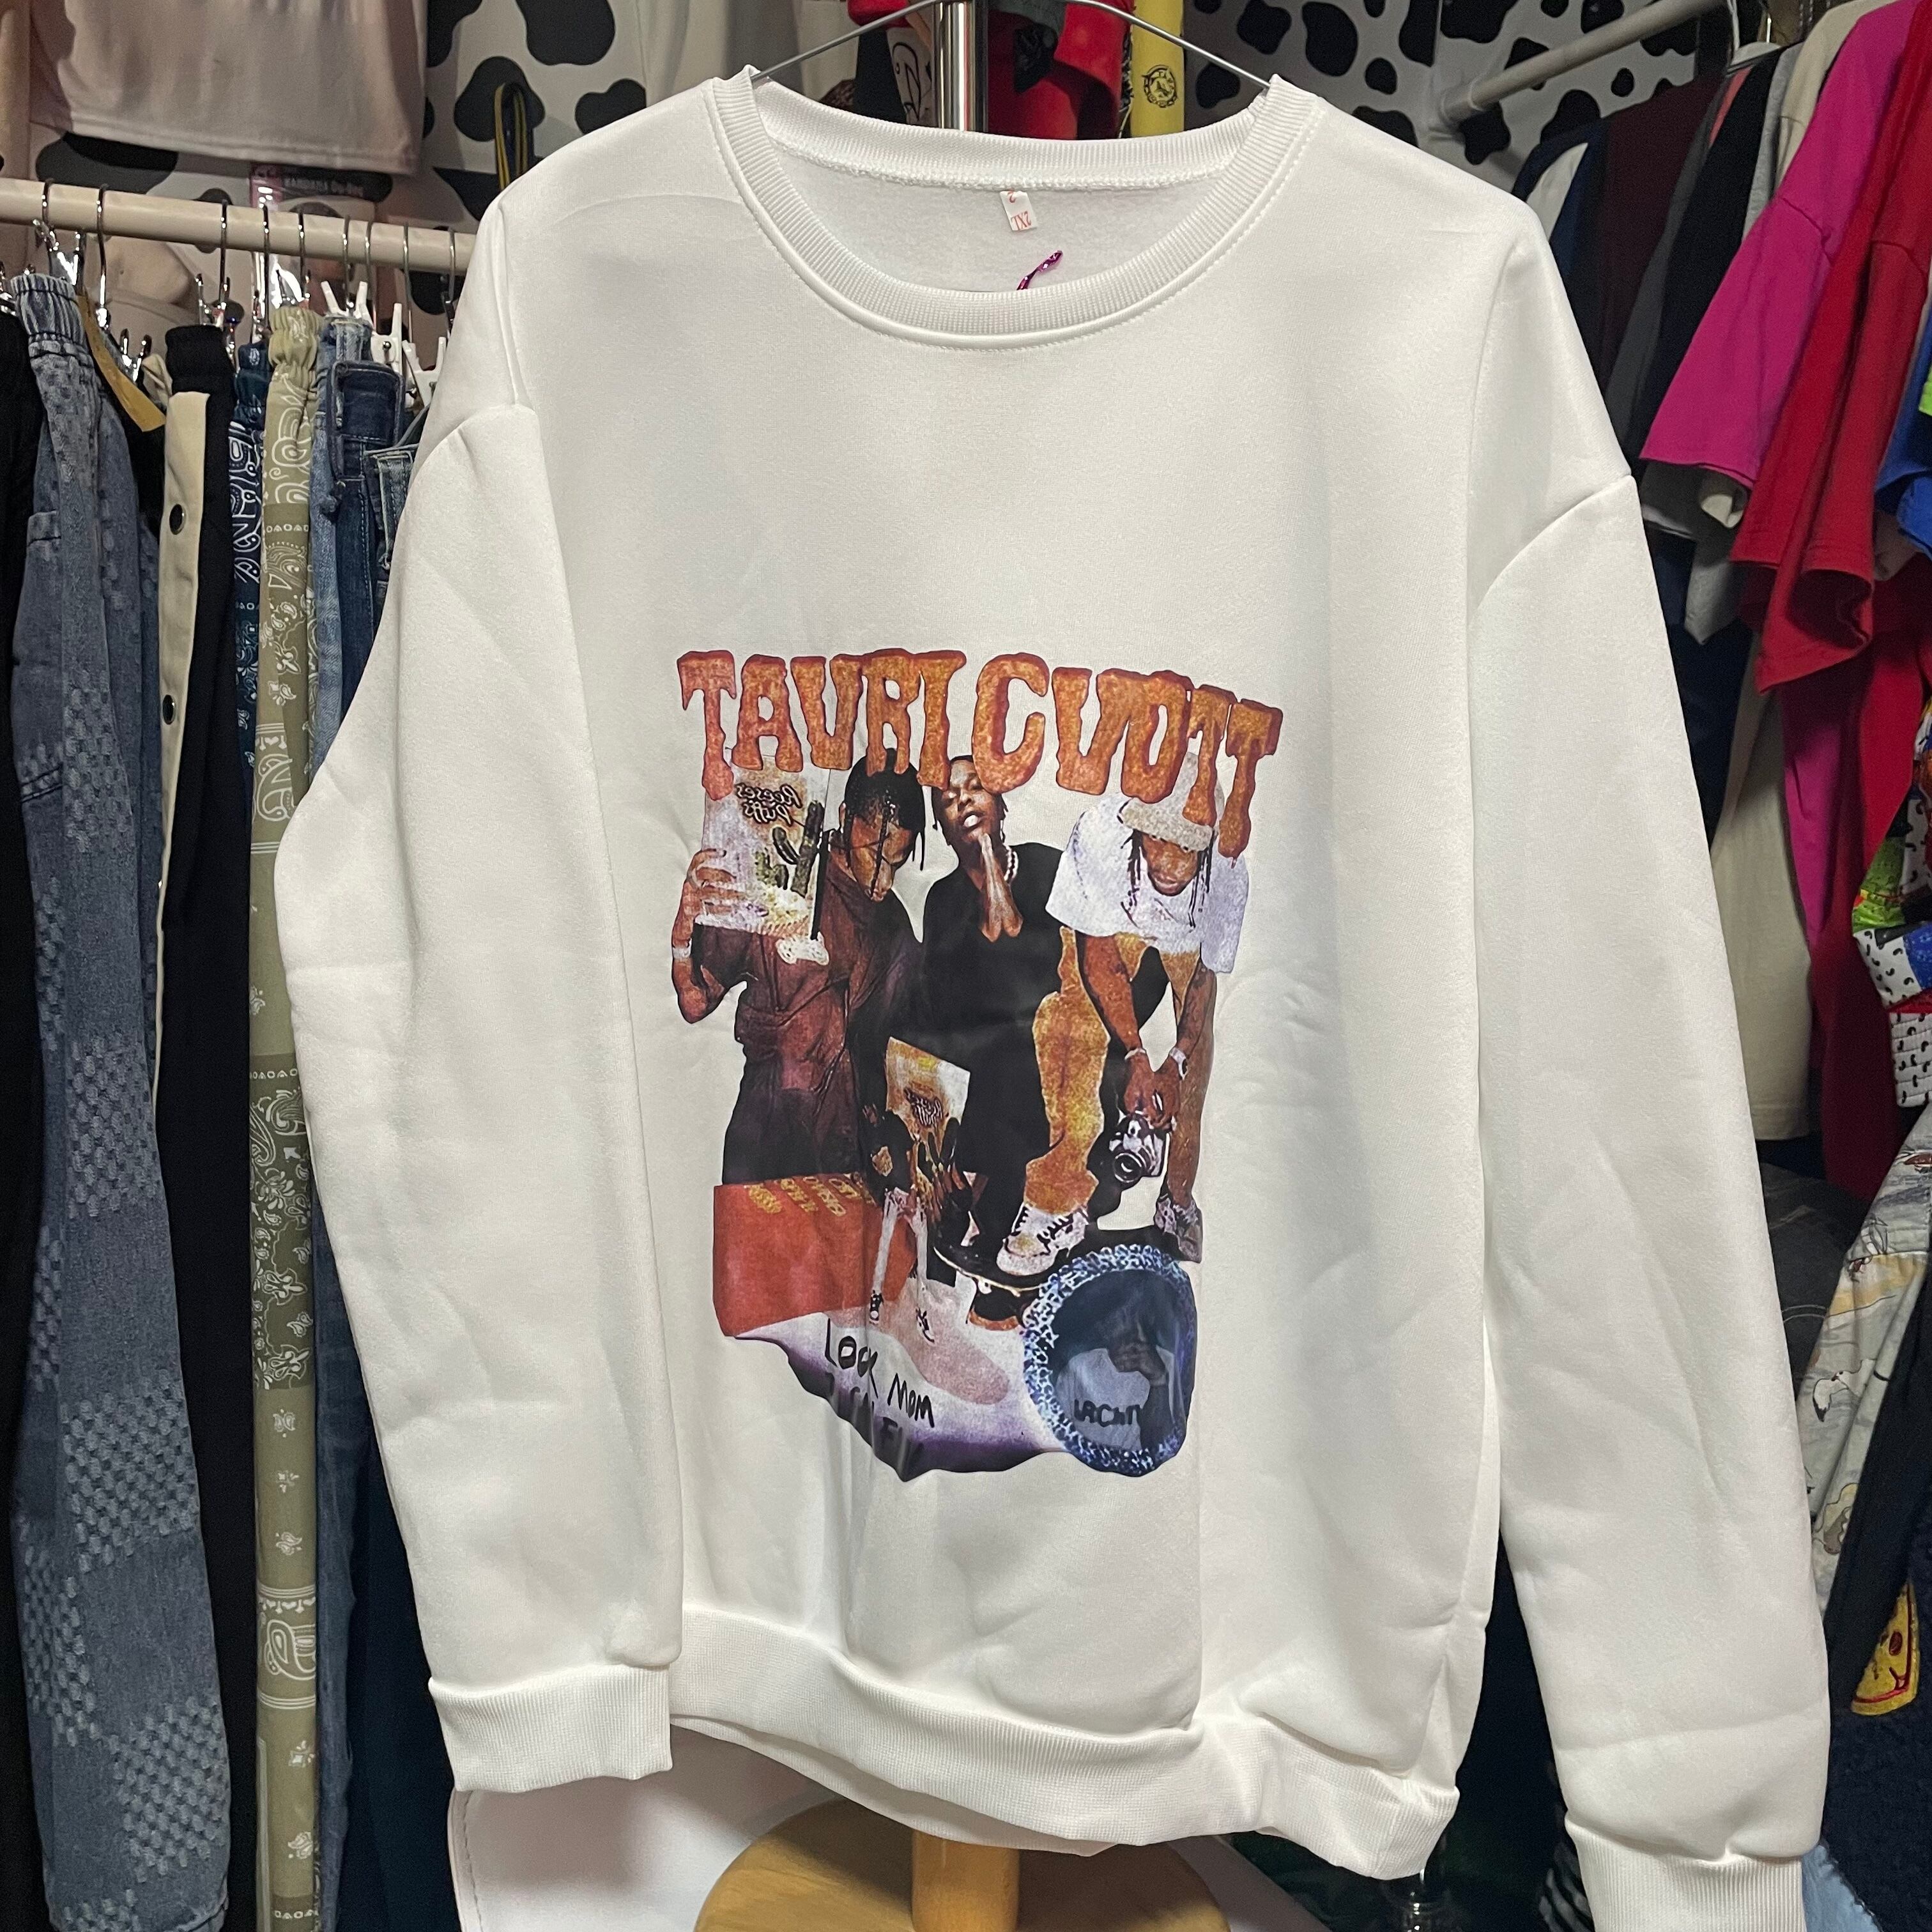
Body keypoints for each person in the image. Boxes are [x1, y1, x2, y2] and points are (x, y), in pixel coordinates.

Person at [1002, 747, 1248, 1275]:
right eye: (1155, 838)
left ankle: (1177, 1197)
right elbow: (1098, 959)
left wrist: (1175, 1062)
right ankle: (1054, 1198)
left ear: (1207, 845)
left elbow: (1202, 980)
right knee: (1069, 1024)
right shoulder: (1100, 835)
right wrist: (1136, 1054)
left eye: (1185, 847)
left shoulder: (1228, 871)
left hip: (1185, 943)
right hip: (1113, 928)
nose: (1167, 860)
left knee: (1198, 1062)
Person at [672, 755, 923, 1184]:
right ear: (845, 817)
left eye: (896, 864)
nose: (884, 882)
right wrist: (684, 931)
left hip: (851, 1158)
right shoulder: (783, 883)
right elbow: (695, 1003)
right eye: (876, 857)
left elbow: (908, 1048)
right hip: (766, 1140)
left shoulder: (894, 926)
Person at [916, 755, 1068, 1288]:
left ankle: (1003, 1232)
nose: (962, 801)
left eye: (975, 788)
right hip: (982, 1079)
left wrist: (989, 854)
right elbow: (941, 1014)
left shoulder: (1047, 869)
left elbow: (1031, 949)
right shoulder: (942, 901)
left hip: (1055, 1061)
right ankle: (989, 1235)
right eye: (948, 800)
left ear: (1001, 802)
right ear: (941, 827)